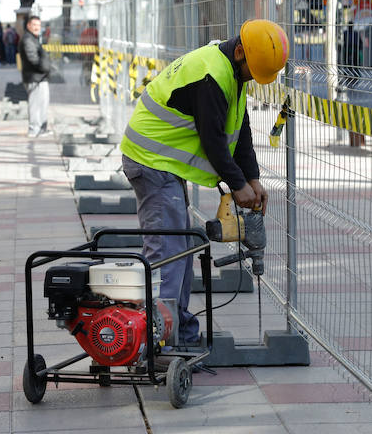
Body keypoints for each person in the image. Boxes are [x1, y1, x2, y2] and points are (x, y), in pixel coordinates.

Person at [120, 19, 289, 348]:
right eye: (253, 71)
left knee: (181, 249)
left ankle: (178, 333)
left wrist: (251, 179)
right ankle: (158, 345)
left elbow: (239, 131)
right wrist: (238, 186)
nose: (254, 78)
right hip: (151, 162)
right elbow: (213, 140)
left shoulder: (229, 68)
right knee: (166, 255)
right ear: (240, 51)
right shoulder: (212, 75)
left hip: (162, 165)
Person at [19, 15, 52, 137]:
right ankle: (34, 128)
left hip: (39, 77)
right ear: (28, 25)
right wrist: (45, 68)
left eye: (39, 25)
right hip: (35, 77)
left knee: (42, 103)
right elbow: (32, 58)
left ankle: (41, 128)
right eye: (34, 25)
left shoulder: (33, 38)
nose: (37, 27)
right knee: (35, 104)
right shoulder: (28, 40)